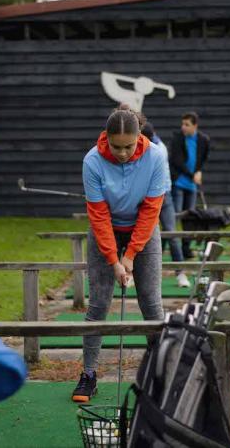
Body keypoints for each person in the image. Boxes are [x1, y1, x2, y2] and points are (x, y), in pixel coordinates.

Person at [72, 106, 167, 403]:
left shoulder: (156, 157)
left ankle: (160, 375)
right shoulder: (92, 161)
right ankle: (88, 374)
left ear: (139, 136)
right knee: (98, 303)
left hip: (143, 228)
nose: (123, 153)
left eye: (129, 146)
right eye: (116, 147)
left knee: (151, 302)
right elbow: (98, 216)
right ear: (107, 138)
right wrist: (114, 260)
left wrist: (131, 254)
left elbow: (151, 210)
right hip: (107, 229)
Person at [141, 121, 190, 288]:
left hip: (163, 196)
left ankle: (181, 274)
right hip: (147, 197)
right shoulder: (145, 146)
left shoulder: (158, 150)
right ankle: (135, 274)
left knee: (171, 234)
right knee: (141, 235)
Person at [169, 112, 210, 258]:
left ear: (195, 126)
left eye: (187, 124)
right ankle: (169, 247)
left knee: (190, 218)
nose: (183, 127)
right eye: (183, 124)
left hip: (192, 185)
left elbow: (203, 158)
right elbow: (177, 161)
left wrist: (199, 171)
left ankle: (186, 249)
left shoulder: (203, 140)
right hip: (179, 183)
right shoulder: (177, 138)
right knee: (174, 217)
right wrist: (192, 175)